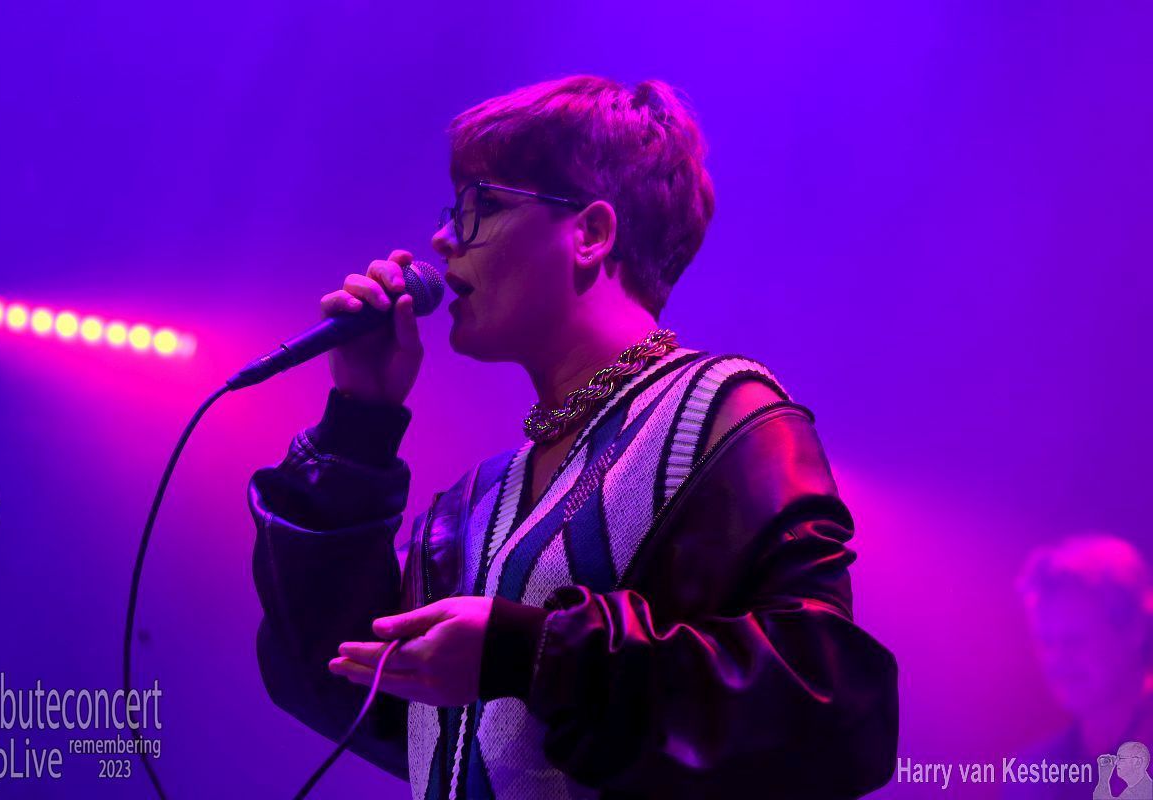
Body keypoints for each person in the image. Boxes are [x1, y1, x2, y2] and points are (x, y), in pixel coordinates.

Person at [248, 75, 899, 800]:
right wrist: (360, 422)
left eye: (482, 205)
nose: (443, 238)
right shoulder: (480, 500)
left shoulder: (724, 415)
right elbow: (331, 675)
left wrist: (529, 654)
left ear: (590, 234)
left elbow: (831, 708)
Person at [1007, 533, 1153, 800]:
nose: (1056, 660)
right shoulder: (1032, 777)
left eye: (1074, 640)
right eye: (1046, 643)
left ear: (1135, 630)